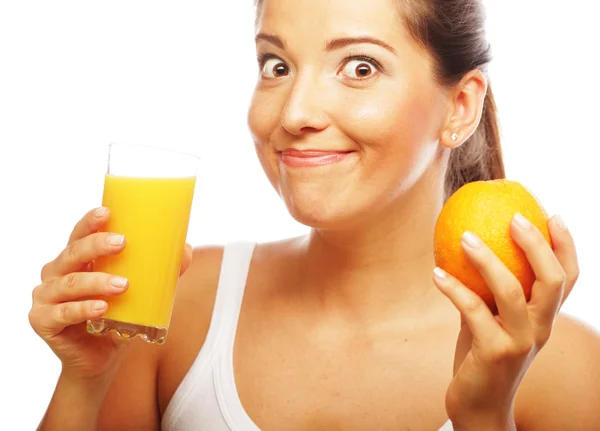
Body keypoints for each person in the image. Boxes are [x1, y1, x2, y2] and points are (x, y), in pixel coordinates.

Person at [29, 0, 600, 430]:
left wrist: (483, 417)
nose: (296, 112)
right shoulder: (174, 310)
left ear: (461, 105)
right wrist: (84, 380)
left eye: (359, 68)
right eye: (275, 65)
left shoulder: (563, 369)